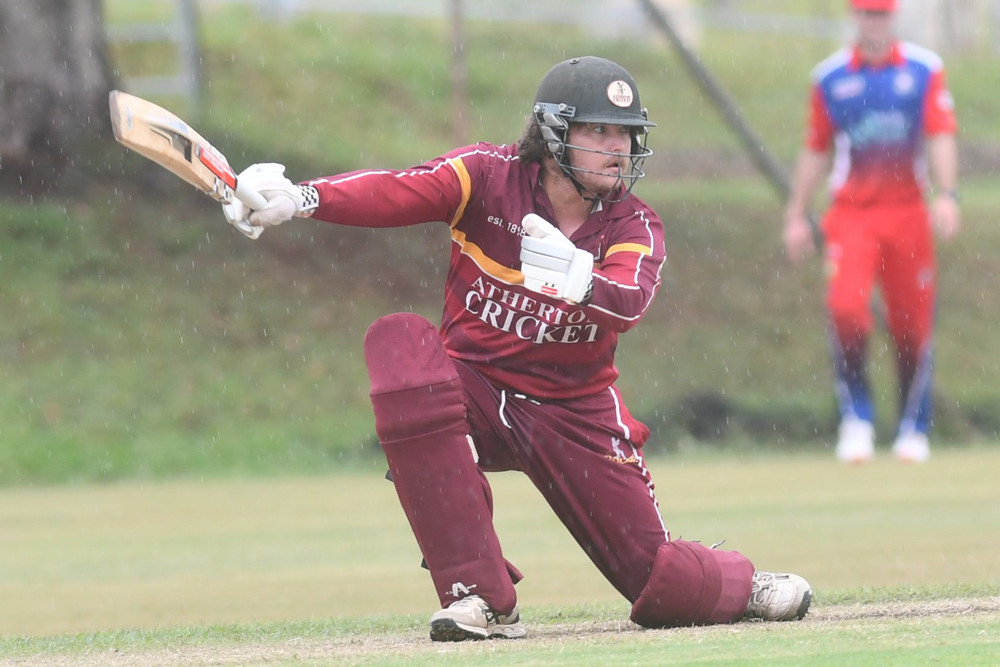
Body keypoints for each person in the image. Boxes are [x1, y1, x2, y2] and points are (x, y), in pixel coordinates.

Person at [223, 56, 812, 641]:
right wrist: (300, 199)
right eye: (598, 130)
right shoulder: (487, 175)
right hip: (473, 387)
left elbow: (630, 302)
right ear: (554, 133)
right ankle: (480, 597)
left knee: (662, 588)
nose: (618, 147)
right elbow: (399, 192)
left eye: (626, 134)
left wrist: (581, 279)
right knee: (401, 347)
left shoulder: (635, 224)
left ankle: (740, 583)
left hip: (572, 409)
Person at [783, 0, 960, 465]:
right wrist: (798, 213)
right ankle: (857, 417)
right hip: (852, 214)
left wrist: (947, 194)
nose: (873, 22)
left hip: (909, 214)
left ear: (893, 17)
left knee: (913, 324)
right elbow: (817, 148)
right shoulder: (830, 77)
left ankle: (912, 426)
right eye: (866, 13)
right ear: (854, 17)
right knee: (844, 308)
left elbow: (940, 133)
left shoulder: (924, 70)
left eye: (880, 13)